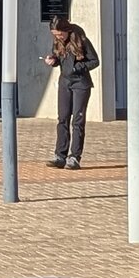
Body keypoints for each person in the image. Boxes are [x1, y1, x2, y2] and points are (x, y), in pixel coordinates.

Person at [42, 16, 99, 170]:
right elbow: (59, 59)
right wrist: (53, 61)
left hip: (80, 83)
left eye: (60, 34)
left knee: (77, 121)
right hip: (65, 83)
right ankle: (60, 156)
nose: (58, 37)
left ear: (66, 30)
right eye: (55, 34)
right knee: (63, 118)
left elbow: (95, 61)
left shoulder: (81, 39)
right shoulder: (57, 41)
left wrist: (77, 68)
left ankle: (74, 157)